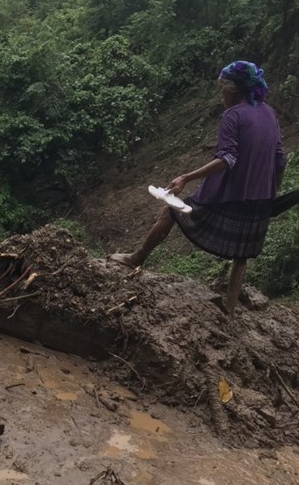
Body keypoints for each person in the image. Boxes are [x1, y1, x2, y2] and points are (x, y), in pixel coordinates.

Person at [111, 61, 286, 318]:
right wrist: (273, 192)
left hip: (230, 194)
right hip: (260, 197)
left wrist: (186, 177)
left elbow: (228, 159)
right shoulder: (269, 112)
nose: (221, 95)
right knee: (243, 253)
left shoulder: (233, 115)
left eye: (222, 89)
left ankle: (136, 258)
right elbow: (280, 159)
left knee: (170, 212)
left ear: (234, 90)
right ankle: (229, 308)